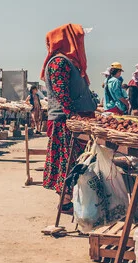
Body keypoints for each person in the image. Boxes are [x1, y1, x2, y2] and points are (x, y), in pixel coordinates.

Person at [41, 24, 96, 209]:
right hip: (66, 122)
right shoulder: (59, 62)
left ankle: (69, 200)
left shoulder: (68, 62)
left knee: (73, 161)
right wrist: (73, 117)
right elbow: (60, 92)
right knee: (68, 162)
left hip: (72, 120)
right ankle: (65, 202)